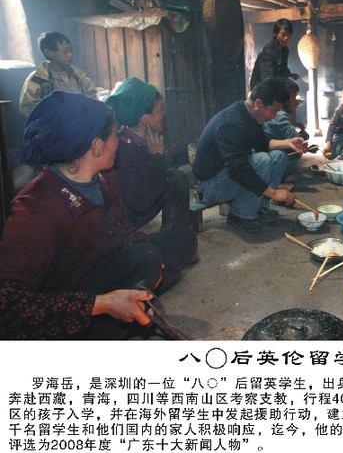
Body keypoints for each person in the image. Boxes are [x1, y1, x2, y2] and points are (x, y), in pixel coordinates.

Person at [0, 91, 197, 340]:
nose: (118, 142)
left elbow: (123, 226)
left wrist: (149, 254)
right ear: (96, 146)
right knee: (147, 259)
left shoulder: (105, 177)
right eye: (115, 135)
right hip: (70, 306)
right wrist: (101, 304)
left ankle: (130, 304)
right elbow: (8, 309)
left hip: (103, 267)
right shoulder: (35, 210)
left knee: (177, 242)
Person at [192, 78, 304, 233]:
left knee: (279, 156)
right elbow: (238, 169)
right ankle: (241, 216)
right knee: (262, 160)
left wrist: (288, 143)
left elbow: (262, 144)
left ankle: (259, 207)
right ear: (258, 103)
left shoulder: (251, 115)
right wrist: (274, 193)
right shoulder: (230, 123)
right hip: (211, 185)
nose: (274, 116)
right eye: (273, 111)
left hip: (227, 176)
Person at [106, 76, 193, 232]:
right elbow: (139, 202)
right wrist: (157, 159)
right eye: (160, 109)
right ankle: (174, 238)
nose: (164, 114)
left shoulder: (144, 139)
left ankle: (175, 234)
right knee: (176, 180)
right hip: (126, 217)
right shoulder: (122, 150)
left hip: (140, 202)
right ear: (143, 117)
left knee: (177, 178)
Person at [19, 31, 97, 116]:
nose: (70, 55)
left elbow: (93, 101)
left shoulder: (79, 77)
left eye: (71, 50)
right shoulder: (37, 80)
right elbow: (28, 109)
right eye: (65, 51)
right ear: (48, 53)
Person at [263, 78, 311, 181]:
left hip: (266, 149)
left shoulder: (272, 110)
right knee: (294, 153)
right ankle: (279, 176)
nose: (295, 101)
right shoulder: (280, 115)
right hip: (267, 155)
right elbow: (297, 140)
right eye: (293, 97)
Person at [249, 18, 301, 90]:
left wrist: (290, 75)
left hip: (273, 86)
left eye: (289, 35)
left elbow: (282, 69)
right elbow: (267, 80)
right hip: (262, 90)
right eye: (283, 34)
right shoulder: (268, 52)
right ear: (275, 34)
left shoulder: (284, 50)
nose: (286, 38)